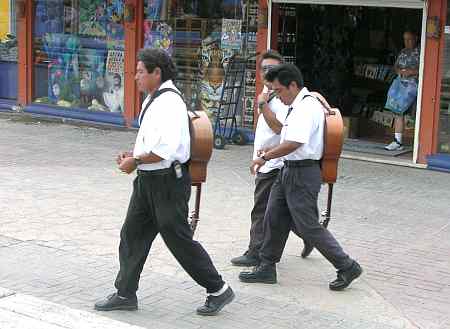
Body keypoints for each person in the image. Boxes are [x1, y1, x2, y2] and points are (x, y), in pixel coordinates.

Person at [94, 48, 234, 316]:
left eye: (140, 72)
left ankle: (218, 289)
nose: (135, 77)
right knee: (132, 234)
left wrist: (135, 161)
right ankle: (125, 293)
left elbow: (166, 151)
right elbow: (153, 144)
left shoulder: (169, 102)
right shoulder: (153, 99)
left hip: (167, 181)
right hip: (148, 180)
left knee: (178, 239)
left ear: (156, 73)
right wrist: (133, 155)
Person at [239, 64, 362, 291]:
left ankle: (346, 265)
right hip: (289, 170)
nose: (278, 95)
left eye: (280, 90)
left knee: (307, 226)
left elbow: (294, 142)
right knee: (273, 217)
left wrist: (265, 158)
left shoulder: (306, 107)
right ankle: (267, 266)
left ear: (293, 85)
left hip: (303, 173)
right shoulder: (296, 105)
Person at [230, 50, 313, 267]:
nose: (268, 72)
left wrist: (262, 106)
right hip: (266, 160)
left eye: (273, 68)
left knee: (262, 209)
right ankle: (311, 235)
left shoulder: (281, 98)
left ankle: (255, 252)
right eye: (264, 68)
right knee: (281, 211)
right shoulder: (268, 95)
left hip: (275, 162)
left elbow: (279, 129)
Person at [385, 30, 420, 151]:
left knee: (412, 112)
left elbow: (424, 68)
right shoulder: (403, 52)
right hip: (401, 84)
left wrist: (411, 72)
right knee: (397, 111)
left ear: (415, 38)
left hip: (413, 86)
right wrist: (399, 71)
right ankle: (398, 141)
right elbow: (396, 66)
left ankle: (416, 142)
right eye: (405, 39)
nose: (407, 42)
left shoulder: (420, 51)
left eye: (409, 39)